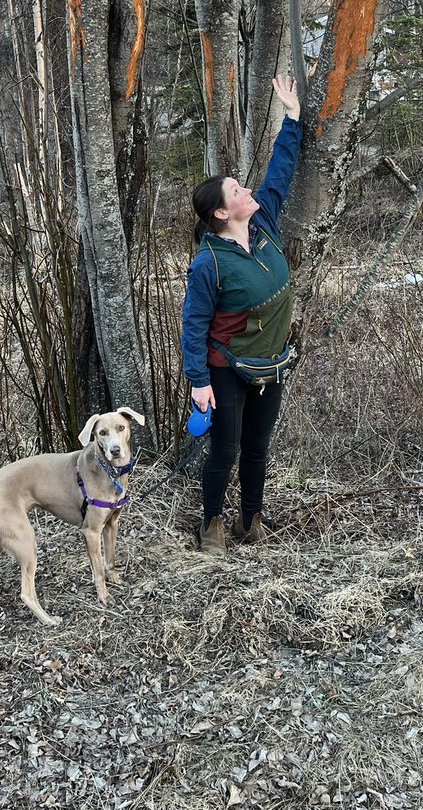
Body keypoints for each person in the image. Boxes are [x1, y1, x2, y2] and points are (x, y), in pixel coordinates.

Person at [181, 74, 302, 556]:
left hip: (271, 363)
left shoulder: (265, 223)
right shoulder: (208, 262)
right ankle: (212, 524)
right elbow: (193, 324)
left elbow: (280, 173)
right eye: (235, 190)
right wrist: (198, 379)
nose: (245, 190)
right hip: (226, 369)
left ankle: (251, 521)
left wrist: (291, 117)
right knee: (225, 450)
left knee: (257, 448)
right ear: (219, 213)